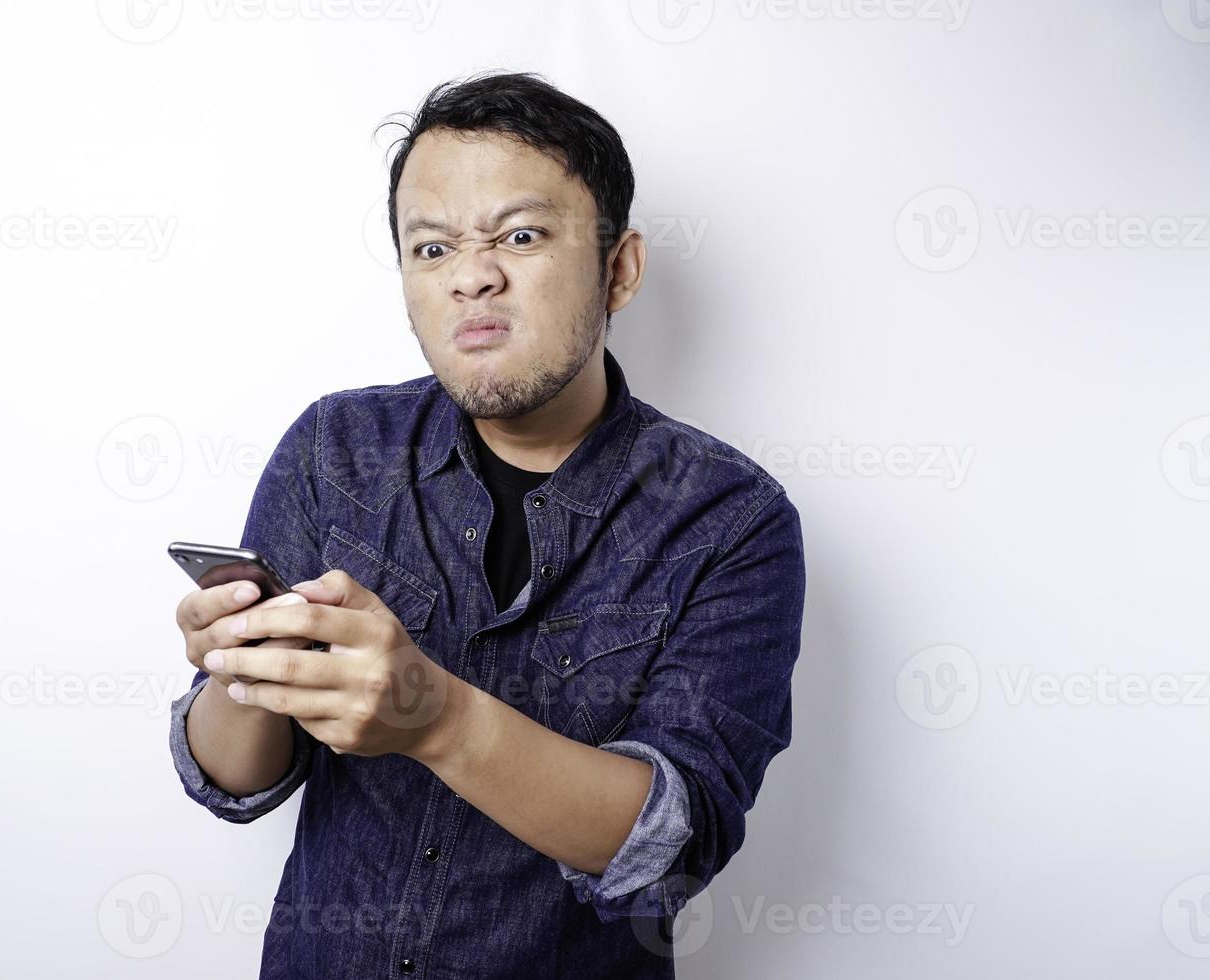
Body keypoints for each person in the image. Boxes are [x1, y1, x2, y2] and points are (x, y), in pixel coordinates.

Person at [169, 70, 806, 979]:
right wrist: (238, 669)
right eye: (431, 249)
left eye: (520, 235)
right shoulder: (334, 450)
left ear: (619, 269)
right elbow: (233, 782)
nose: (472, 276)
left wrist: (434, 717)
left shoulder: (729, 520)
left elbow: (673, 843)